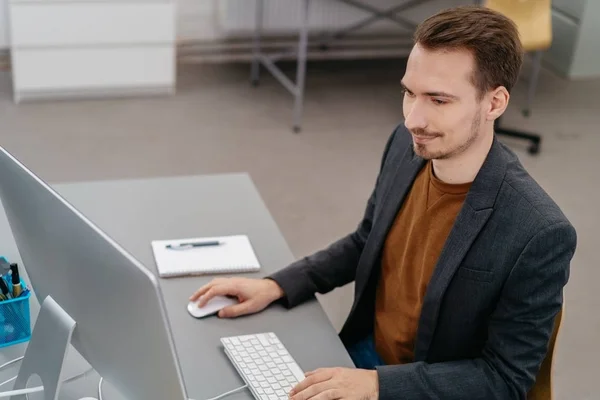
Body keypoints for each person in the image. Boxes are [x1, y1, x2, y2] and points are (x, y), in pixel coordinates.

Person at [190, 5, 577, 400]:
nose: (413, 119)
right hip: (365, 353)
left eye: (438, 100)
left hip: (424, 384)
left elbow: (505, 379)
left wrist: (377, 384)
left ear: (494, 103)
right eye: (409, 93)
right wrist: (278, 284)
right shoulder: (406, 146)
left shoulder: (538, 232)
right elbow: (366, 240)